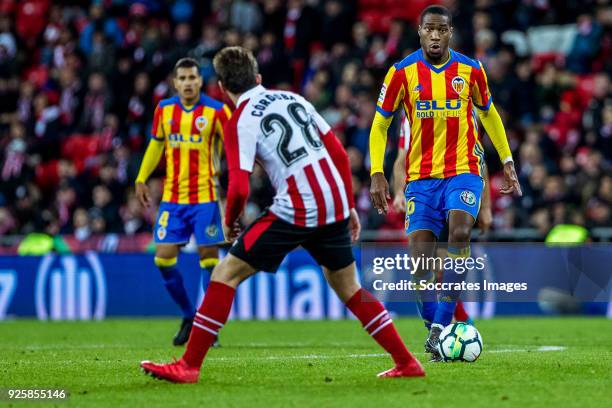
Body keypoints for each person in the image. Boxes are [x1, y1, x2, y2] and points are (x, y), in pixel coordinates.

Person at [140, 46, 426, 383]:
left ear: (220, 88)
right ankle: (407, 362)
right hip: (332, 200)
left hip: (299, 206)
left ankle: (188, 365)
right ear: (258, 78)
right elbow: (338, 153)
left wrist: (231, 221)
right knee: (349, 287)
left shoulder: (240, 121)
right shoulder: (293, 99)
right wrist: (347, 204)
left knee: (225, 274)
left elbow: (239, 188)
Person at [369, 5, 522, 362]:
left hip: (463, 170)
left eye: (441, 29)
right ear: (419, 32)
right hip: (421, 178)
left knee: (459, 233)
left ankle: (440, 329)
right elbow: (380, 125)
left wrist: (508, 159)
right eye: (429, 29)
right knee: (421, 264)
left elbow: (489, 115)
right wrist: (377, 170)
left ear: (450, 32)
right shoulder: (401, 73)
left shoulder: (471, 69)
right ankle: (434, 325)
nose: (435, 35)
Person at [135, 58, 231, 346]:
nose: (188, 82)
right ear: (175, 82)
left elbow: (235, 147)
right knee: (163, 257)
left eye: (193, 77)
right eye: (183, 78)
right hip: (173, 199)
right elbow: (156, 144)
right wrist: (141, 178)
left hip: (206, 199)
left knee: (209, 258)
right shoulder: (164, 110)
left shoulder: (217, 111)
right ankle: (190, 315)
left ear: (201, 81)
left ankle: (208, 326)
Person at [391, 114, 488, 328]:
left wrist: (486, 207)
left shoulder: (464, 109)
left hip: (456, 187)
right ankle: (453, 322)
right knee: (425, 263)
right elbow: (401, 159)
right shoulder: (412, 115)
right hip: (425, 189)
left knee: (442, 262)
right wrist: (399, 191)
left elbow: (479, 160)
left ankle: (447, 324)